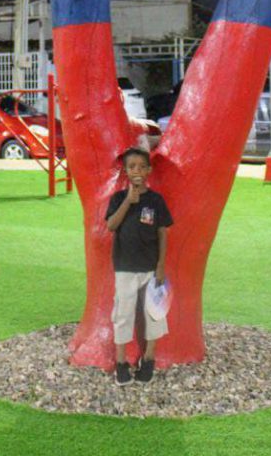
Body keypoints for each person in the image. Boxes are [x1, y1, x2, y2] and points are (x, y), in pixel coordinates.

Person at [105, 146, 173, 385]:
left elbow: (162, 233)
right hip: (124, 268)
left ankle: (149, 358)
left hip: (150, 269)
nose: (137, 171)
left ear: (149, 171)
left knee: (153, 313)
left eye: (142, 167)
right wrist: (128, 201)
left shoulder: (156, 200)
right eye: (132, 167)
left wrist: (161, 265)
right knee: (123, 313)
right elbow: (111, 226)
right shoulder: (118, 198)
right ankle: (121, 362)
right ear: (125, 171)